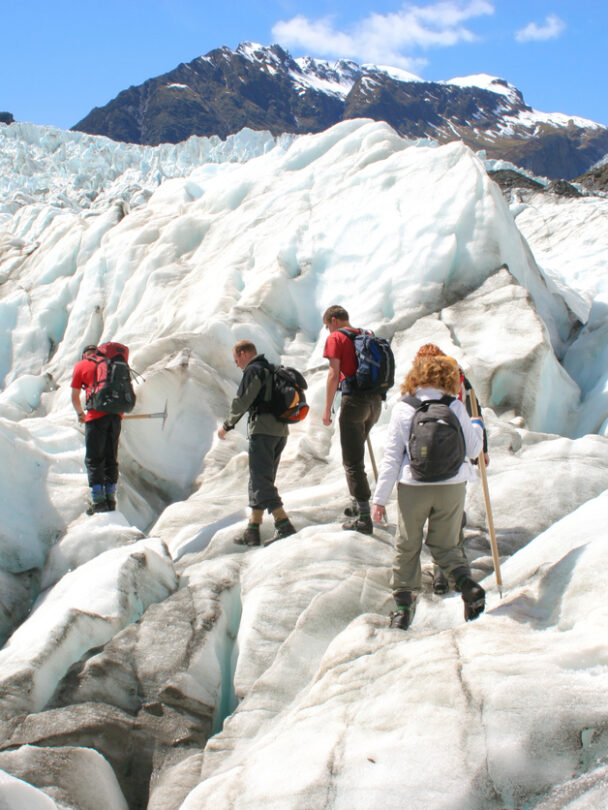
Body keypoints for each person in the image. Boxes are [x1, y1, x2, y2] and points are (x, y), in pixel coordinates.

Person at [371, 354, 486, 630]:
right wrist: (477, 426)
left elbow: (392, 458)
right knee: (446, 545)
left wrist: (379, 500)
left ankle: (401, 609)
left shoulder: (404, 407)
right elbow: (473, 451)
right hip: (452, 486)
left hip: (414, 485)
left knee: (408, 544)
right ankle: (467, 585)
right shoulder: (455, 406)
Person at [414, 344, 489, 595]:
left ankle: (440, 569)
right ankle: (451, 561)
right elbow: (475, 412)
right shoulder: (459, 378)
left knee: (437, 512)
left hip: (429, 456)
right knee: (452, 510)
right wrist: (481, 448)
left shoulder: (429, 381)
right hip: (457, 452)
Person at [218, 340, 296, 547]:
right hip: (281, 431)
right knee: (261, 479)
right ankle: (253, 529)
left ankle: (283, 523)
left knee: (261, 481)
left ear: (244, 354)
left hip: (263, 430)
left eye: (237, 360)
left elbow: (242, 401)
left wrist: (227, 425)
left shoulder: (254, 370)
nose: (237, 365)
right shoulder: (272, 370)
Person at [322, 305, 382, 535]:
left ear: (334, 320)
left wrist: (327, 409)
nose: (328, 331)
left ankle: (365, 517)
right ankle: (359, 503)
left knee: (352, 461)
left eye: (328, 326)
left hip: (354, 402)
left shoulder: (336, 337)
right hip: (374, 403)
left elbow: (333, 374)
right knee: (357, 455)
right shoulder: (366, 335)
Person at [71, 344, 121, 514]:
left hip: (95, 416)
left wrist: (80, 414)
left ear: (84, 355)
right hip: (115, 416)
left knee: (94, 458)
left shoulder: (81, 365)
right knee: (110, 457)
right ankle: (110, 498)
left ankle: (98, 500)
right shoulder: (111, 364)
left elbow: (75, 396)